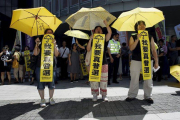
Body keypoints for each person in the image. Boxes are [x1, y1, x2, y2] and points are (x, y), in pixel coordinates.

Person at [125, 21, 159, 104]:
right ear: (136, 27)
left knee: (148, 79)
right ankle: (132, 95)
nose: (142, 26)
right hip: (136, 60)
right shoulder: (133, 36)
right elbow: (131, 48)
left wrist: (156, 61)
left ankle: (148, 96)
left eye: (143, 25)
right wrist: (137, 39)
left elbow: (153, 49)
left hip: (147, 60)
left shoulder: (150, 36)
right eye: (140, 25)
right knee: (134, 78)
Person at [33, 28, 59, 107]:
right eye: (48, 33)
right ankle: (42, 99)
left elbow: (57, 54)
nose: (49, 34)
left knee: (52, 83)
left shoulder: (54, 43)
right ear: (44, 34)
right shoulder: (40, 43)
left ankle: (51, 98)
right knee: (40, 84)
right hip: (40, 66)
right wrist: (36, 44)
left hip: (51, 67)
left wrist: (54, 45)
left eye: (51, 33)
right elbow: (35, 53)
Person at [87, 20, 112, 101]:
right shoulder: (92, 39)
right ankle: (95, 94)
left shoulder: (104, 38)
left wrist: (106, 24)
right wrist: (90, 39)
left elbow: (110, 33)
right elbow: (88, 49)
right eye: (97, 29)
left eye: (100, 29)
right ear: (94, 31)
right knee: (94, 80)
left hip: (103, 62)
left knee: (104, 79)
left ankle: (104, 95)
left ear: (102, 31)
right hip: (94, 62)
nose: (98, 30)